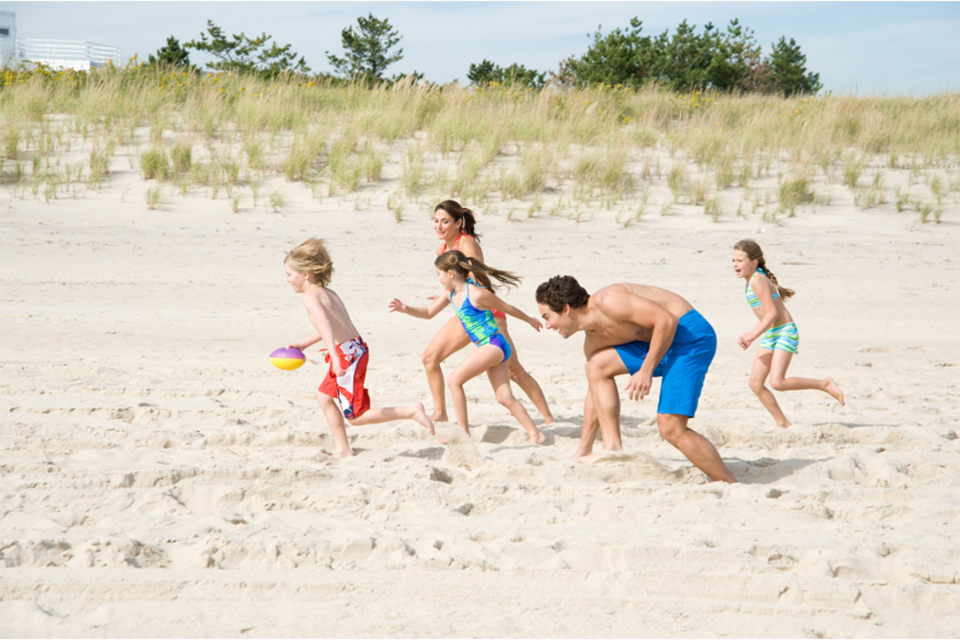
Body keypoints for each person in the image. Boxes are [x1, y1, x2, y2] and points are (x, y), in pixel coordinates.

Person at [535, 276, 736, 483]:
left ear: (566, 309)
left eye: (547, 316)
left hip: (690, 337)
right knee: (596, 366)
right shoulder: (594, 340)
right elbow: (594, 391)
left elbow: (667, 321)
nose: (547, 325)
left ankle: (731, 483)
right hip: (660, 343)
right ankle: (612, 447)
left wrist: (646, 370)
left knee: (670, 428)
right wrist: (584, 448)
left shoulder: (609, 301)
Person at [284, 238, 434, 457]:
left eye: (289, 275)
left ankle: (410, 410)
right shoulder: (328, 293)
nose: (288, 281)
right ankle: (343, 449)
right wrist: (302, 344)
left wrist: (335, 358)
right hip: (356, 348)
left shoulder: (309, 297)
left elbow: (326, 326)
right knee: (323, 398)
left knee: (356, 416)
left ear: (305, 274)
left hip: (346, 355)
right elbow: (332, 326)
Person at [390, 251, 546, 444]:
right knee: (504, 397)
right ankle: (536, 434)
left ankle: (463, 432)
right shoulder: (450, 294)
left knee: (454, 380)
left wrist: (530, 320)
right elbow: (429, 312)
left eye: (439, 274)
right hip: (489, 346)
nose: (438, 279)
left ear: (451, 274)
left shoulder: (478, 293)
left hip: (494, 344)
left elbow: (506, 308)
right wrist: (406, 309)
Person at [421, 200, 556, 425]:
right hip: (465, 312)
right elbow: (454, 281)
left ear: (458, 222)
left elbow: (476, 280)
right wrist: (446, 295)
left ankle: (549, 419)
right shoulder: (441, 249)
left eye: (445, 222)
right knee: (429, 358)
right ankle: (439, 412)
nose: (439, 226)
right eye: (436, 221)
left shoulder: (467, 244)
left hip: (486, 312)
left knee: (514, 371)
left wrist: (455, 295)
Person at [732, 239, 844, 428]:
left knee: (777, 382)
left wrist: (752, 334)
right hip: (771, 333)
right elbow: (768, 314)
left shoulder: (758, 280)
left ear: (753, 263)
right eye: (733, 260)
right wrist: (757, 333)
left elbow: (773, 313)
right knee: (755, 383)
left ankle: (824, 384)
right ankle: (783, 423)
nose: (735, 264)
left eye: (739, 260)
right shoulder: (752, 278)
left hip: (785, 332)